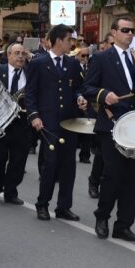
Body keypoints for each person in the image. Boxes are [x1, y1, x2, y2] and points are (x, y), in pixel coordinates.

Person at [80, 17, 135, 242]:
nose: (129, 34)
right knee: (113, 175)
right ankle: (102, 216)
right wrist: (104, 95)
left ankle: (123, 224)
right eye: (125, 30)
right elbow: (88, 88)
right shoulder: (102, 58)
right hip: (111, 123)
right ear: (113, 32)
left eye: (132, 30)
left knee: (133, 178)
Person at [25, 24, 87, 221]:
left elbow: (78, 88)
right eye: (69, 40)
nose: (72, 43)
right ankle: (42, 203)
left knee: (69, 165)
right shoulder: (38, 63)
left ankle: (64, 206)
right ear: (59, 40)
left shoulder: (73, 64)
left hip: (69, 121)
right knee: (50, 164)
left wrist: (80, 98)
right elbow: (31, 93)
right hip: (48, 122)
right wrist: (34, 115)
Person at [0, 43, 34, 207]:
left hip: (22, 122)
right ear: (8, 55)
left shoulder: (30, 72)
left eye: (23, 53)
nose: (20, 56)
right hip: (0, 121)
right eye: (16, 53)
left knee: (18, 160)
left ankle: (11, 191)